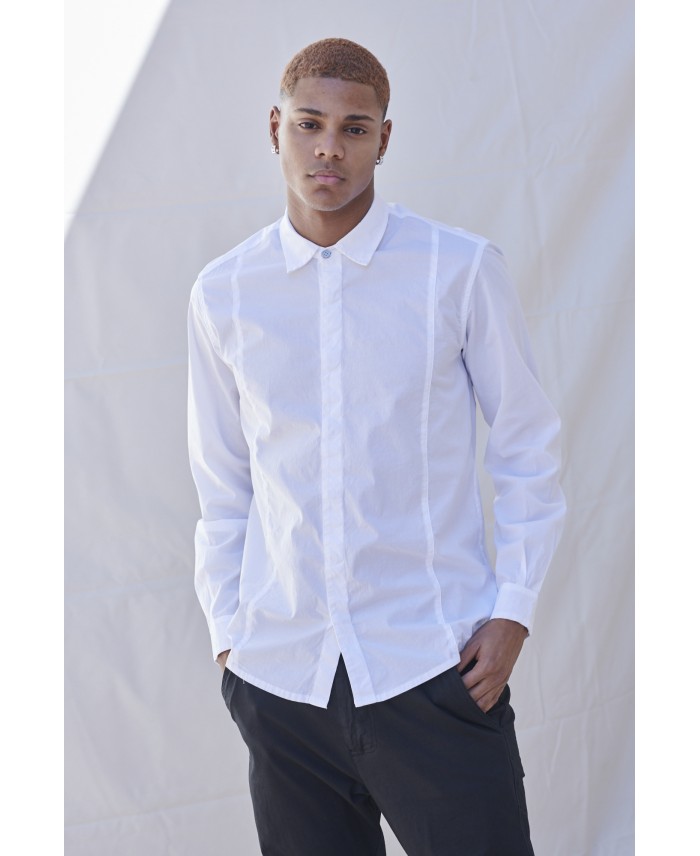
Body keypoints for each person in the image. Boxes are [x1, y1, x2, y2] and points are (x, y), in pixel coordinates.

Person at [187, 37, 566, 856]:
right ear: (276, 127)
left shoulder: (457, 270)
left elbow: (527, 446)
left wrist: (513, 611)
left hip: (432, 669)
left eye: (354, 129)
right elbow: (224, 483)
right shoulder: (225, 292)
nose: (329, 148)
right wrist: (229, 635)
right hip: (282, 682)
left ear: (383, 139)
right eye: (309, 123)